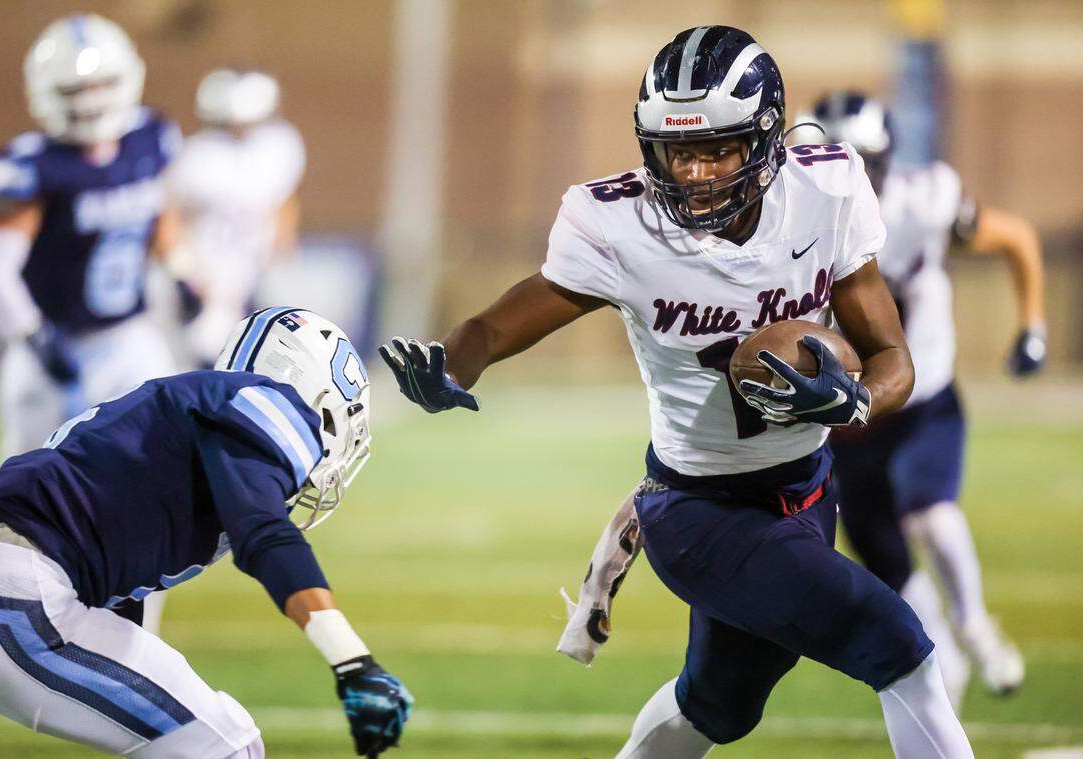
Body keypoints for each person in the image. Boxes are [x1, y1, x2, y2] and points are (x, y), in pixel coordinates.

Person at [381, 25, 972, 759]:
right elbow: (497, 323)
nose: (694, 173)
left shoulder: (827, 187)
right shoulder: (618, 223)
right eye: (678, 151)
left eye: (717, 149)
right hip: (698, 509)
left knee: (718, 706)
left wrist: (854, 402)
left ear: (767, 139)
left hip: (810, 490)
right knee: (898, 646)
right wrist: (451, 364)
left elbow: (891, 355)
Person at [0, 307, 411, 758]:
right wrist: (351, 659)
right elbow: (264, 534)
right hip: (9, 589)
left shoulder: (193, 409)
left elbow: (115, 587)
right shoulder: (268, 403)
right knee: (226, 745)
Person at [810, 90, 1045, 703]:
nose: (849, 180)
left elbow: (1015, 236)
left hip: (922, 402)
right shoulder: (792, 222)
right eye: (835, 163)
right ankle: (942, 658)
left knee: (932, 514)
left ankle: (976, 627)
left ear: (886, 161)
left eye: (861, 163)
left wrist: (1034, 325)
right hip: (848, 419)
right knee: (885, 558)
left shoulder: (927, 201)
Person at [0, 14, 179, 461]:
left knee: (162, 467)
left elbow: (163, 222)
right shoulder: (29, 168)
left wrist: (183, 272)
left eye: (103, 85)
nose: (91, 101)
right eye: (75, 90)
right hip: (52, 342)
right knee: (27, 493)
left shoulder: (149, 139)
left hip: (128, 340)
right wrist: (33, 335)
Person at [167, 67, 306, 368]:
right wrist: (184, 271)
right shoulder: (197, 157)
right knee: (206, 360)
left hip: (253, 273)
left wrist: (280, 251)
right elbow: (170, 218)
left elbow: (283, 202)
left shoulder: (278, 147)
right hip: (207, 278)